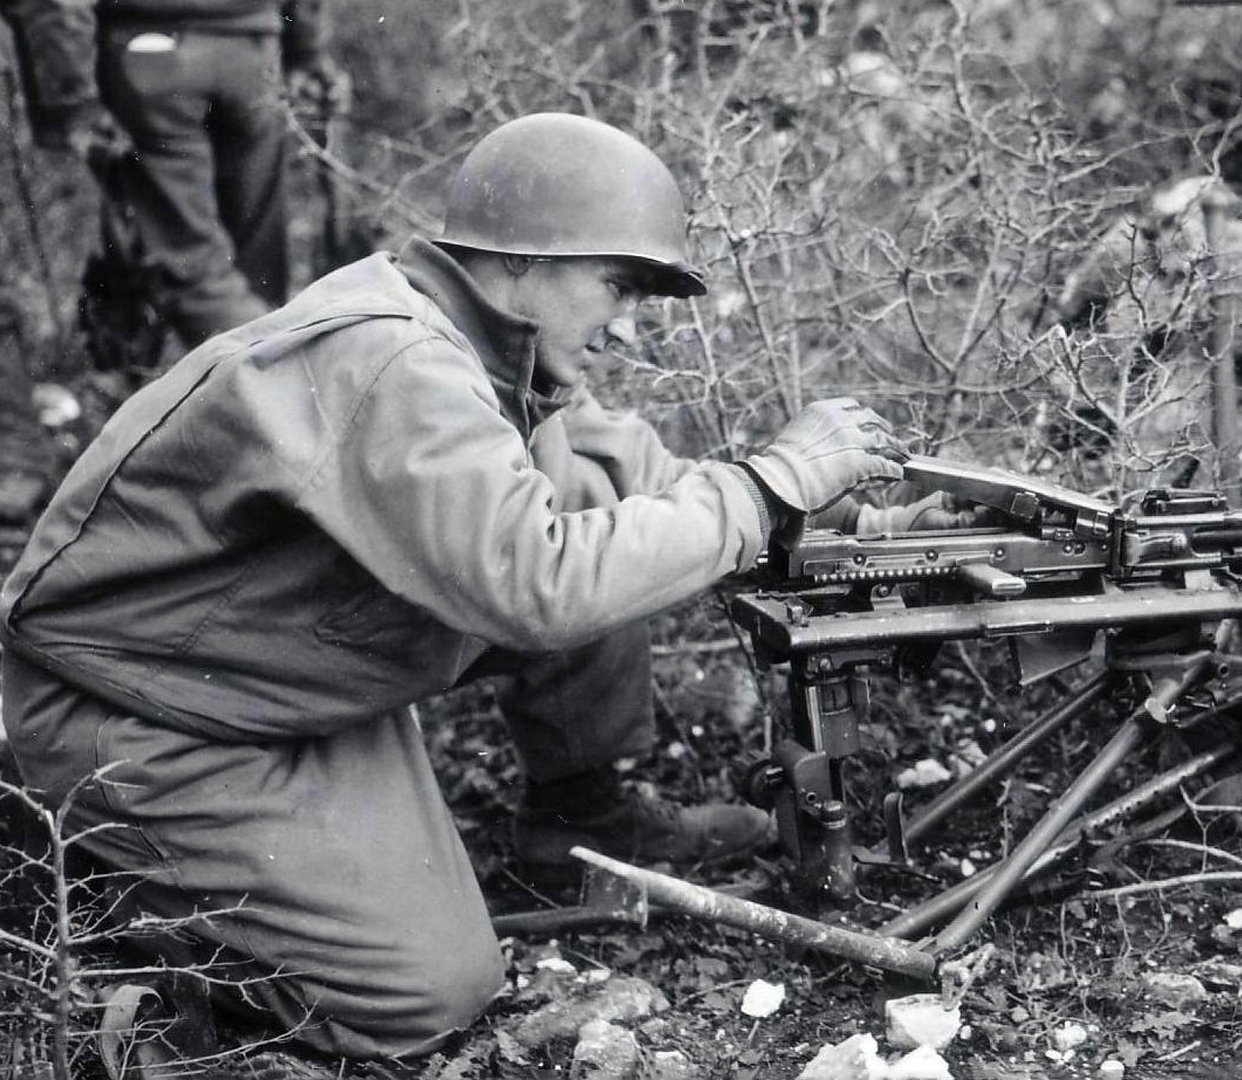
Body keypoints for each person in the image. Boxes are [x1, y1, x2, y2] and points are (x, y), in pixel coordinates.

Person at [0, 112, 969, 1059]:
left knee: (597, 504)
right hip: (140, 722)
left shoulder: (487, 348)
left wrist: (865, 533)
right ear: (527, 261)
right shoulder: (399, 362)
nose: (627, 331)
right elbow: (538, 585)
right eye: (617, 289)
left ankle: (575, 816)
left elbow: (655, 491)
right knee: (426, 994)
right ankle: (100, 894)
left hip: (268, 673)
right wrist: (763, 484)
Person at [4, 0, 336, 349]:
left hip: (151, 56)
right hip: (254, 50)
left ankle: (265, 371)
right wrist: (308, 49)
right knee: (254, 249)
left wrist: (70, 103)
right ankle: (275, 363)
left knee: (193, 261)